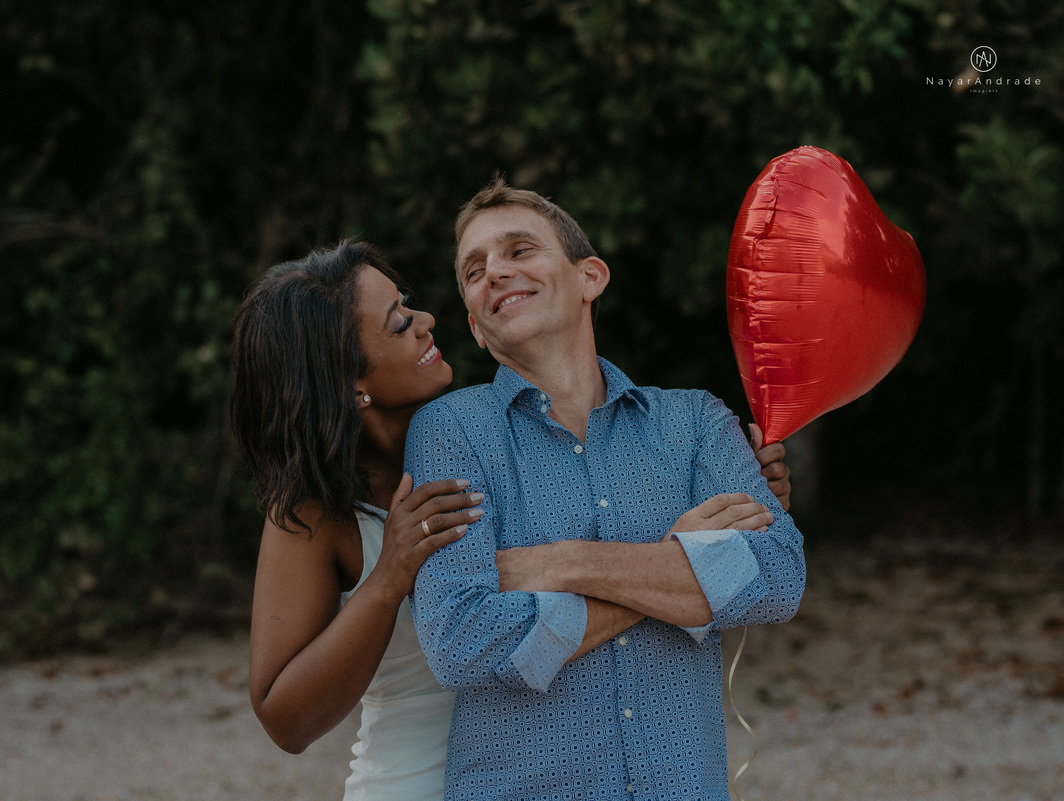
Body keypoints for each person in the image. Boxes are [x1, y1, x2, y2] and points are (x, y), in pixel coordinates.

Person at [230, 240, 792, 801]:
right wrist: (391, 576)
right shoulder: (314, 511)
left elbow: (629, 543)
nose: (427, 320)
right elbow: (285, 719)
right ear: (353, 387)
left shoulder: (497, 441)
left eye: (409, 302)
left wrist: (734, 493)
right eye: (399, 324)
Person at [407, 177, 806, 801]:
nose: (495, 273)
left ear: (590, 277)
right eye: (474, 270)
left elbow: (778, 575)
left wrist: (557, 564)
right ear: (476, 329)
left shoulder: (697, 421)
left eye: (519, 250)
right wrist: (674, 565)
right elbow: (462, 639)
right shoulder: (450, 431)